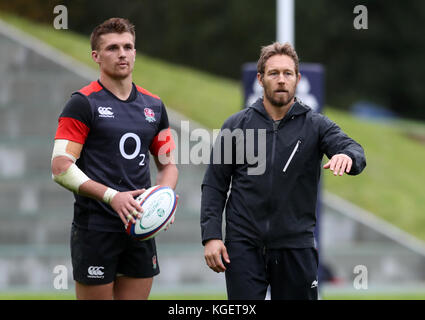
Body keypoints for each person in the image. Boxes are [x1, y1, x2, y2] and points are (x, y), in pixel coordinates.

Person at [200, 42, 366, 300]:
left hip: (295, 246)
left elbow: (353, 149)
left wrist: (347, 156)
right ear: (260, 79)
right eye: (273, 73)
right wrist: (211, 236)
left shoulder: (316, 124)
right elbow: (214, 184)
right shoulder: (236, 125)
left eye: (287, 73)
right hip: (243, 247)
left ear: (298, 79)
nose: (281, 80)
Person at [51, 18, 178, 300]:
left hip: (139, 229)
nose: (122, 53)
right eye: (112, 48)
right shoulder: (82, 103)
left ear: (135, 52)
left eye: (128, 46)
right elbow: (60, 168)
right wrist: (113, 197)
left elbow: (168, 164)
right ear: (96, 56)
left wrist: (164, 197)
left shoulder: (154, 106)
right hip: (96, 228)